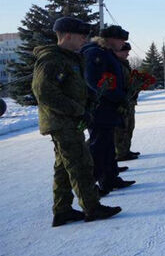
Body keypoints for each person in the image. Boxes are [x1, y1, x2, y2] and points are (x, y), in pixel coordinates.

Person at [31, 16, 121, 226]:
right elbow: (43, 92)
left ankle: (62, 210)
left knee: (64, 166)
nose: (85, 39)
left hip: (69, 121)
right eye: (82, 35)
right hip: (62, 122)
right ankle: (92, 207)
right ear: (68, 35)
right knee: (81, 163)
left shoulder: (70, 57)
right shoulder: (51, 59)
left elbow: (75, 85)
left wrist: (90, 95)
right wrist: (77, 110)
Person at [82, 25, 135, 194]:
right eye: (121, 40)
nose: (123, 44)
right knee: (99, 148)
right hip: (99, 108)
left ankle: (110, 178)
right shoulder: (96, 53)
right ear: (111, 39)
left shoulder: (106, 53)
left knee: (108, 145)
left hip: (107, 107)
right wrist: (117, 96)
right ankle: (90, 187)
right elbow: (94, 81)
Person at [113, 42, 139, 162]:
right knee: (120, 129)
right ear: (117, 51)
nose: (128, 54)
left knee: (129, 126)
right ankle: (120, 152)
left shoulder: (124, 64)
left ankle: (125, 150)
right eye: (125, 51)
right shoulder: (115, 64)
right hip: (121, 101)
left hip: (129, 100)